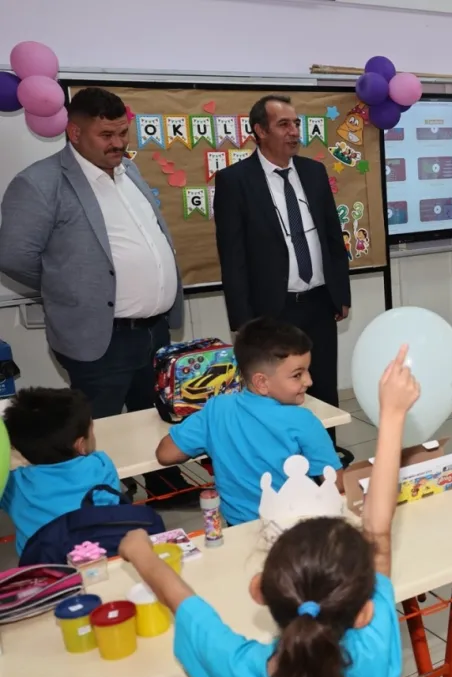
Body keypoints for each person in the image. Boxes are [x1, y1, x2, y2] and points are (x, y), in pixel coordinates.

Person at [120, 347, 418, 677]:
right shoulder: (373, 649)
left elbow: (180, 599)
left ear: (258, 589)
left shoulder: (241, 671)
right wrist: (392, 415)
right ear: (364, 612)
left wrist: (141, 553)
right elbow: (379, 534)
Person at [0, 87, 187, 500]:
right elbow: (13, 255)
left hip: (154, 329)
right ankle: (104, 496)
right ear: (75, 133)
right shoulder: (40, 182)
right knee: (98, 426)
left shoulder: (128, 170)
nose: (118, 143)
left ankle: (165, 483)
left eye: (122, 133)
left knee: (154, 415)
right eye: (106, 135)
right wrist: (70, 288)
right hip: (101, 335)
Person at [213, 94, 350, 422]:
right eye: (284, 124)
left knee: (322, 389)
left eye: (296, 124)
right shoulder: (235, 181)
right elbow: (232, 257)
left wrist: (341, 293)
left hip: (319, 302)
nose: (294, 131)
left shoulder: (314, 172)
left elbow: (333, 236)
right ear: (260, 131)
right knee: (279, 396)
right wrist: (243, 322)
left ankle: (324, 450)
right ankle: (285, 452)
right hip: (272, 310)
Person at [154, 318, 341, 526]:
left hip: (237, 527)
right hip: (294, 529)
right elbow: (336, 485)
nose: (309, 381)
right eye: (297, 375)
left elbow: (165, 454)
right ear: (261, 382)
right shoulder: (304, 421)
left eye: (307, 370)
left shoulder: (217, 409)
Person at [0, 388, 122, 556]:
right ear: (80, 445)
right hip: (98, 556)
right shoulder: (100, 465)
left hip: (40, 565)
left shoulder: (14, 484)